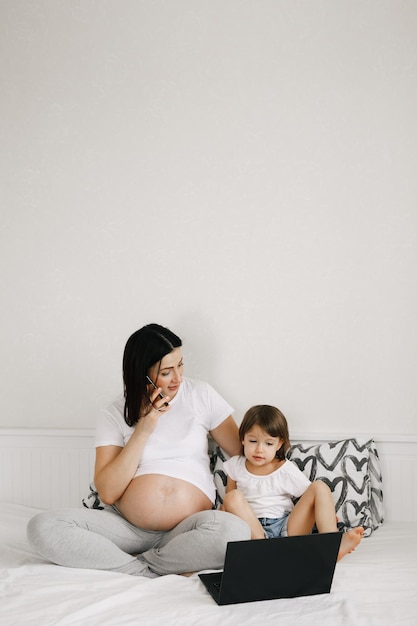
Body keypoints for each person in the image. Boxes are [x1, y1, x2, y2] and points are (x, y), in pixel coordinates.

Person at [27, 323, 250, 577]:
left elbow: (242, 452)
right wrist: (144, 428)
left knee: (234, 531)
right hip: (126, 528)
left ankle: (143, 564)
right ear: (141, 374)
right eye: (166, 372)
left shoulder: (201, 395)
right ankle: (141, 570)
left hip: (188, 530)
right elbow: (108, 492)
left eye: (180, 365)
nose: (178, 377)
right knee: (42, 526)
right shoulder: (113, 413)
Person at [221, 404, 364, 561]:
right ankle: (266, 552)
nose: (259, 449)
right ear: (243, 439)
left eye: (268, 443)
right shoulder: (235, 465)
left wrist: (325, 516)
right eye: (253, 441)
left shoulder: (286, 470)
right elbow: (230, 507)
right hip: (253, 532)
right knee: (232, 497)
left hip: (287, 529)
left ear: (279, 444)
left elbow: (311, 499)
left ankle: (332, 546)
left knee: (319, 487)